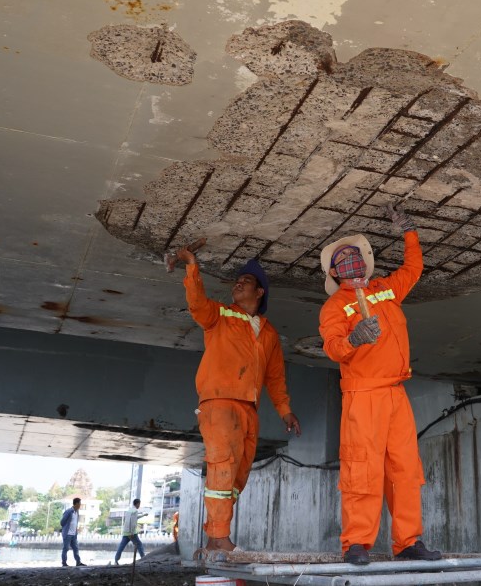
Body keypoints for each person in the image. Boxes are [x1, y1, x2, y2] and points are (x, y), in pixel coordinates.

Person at [318, 205, 442, 566]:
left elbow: (413, 269)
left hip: (396, 393)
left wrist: (410, 232)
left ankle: (408, 542)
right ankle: (356, 543)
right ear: (334, 271)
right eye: (343, 258)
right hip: (363, 396)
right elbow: (332, 347)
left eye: (355, 254)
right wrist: (354, 338)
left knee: (405, 469)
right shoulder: (334, 307)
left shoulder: (386, 289)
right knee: (363, 469)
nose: (351, 260)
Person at [177, 247, 302, 553]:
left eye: (245, 281)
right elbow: (197, 305)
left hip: (249, 409)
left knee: (237, 475)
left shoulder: (269, 333)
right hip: (219, 403)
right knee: (222, 467)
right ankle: (220, 537)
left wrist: (285, 411)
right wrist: (193, 268)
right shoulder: (220, 314)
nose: (238, 284)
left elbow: (275, 377)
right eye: (237, 280)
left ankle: (214, 536)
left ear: (259, 292)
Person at [114, 498, 145, 564]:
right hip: (132, 533)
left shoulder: (129, 510)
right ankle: (144, 559)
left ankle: (116, 560)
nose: (139, 505)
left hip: (126, 532)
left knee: (121, 546)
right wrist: (131, 533)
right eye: (139, 504)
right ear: (137, 504)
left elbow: (129, 520)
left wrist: (143, 515)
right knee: (139, 544)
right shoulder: (135, 511)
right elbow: (133, 522)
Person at [59, 497, 86, 567]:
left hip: (74, 534)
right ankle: (64, 563)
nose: (80, 505)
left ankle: (78, 562)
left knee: (76, 548)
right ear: (76, 504)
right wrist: (66, 528)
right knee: (66, 548)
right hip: (67, 534)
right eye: (80, 504)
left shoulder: (77, 512)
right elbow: (62, 522)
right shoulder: (68, 511)